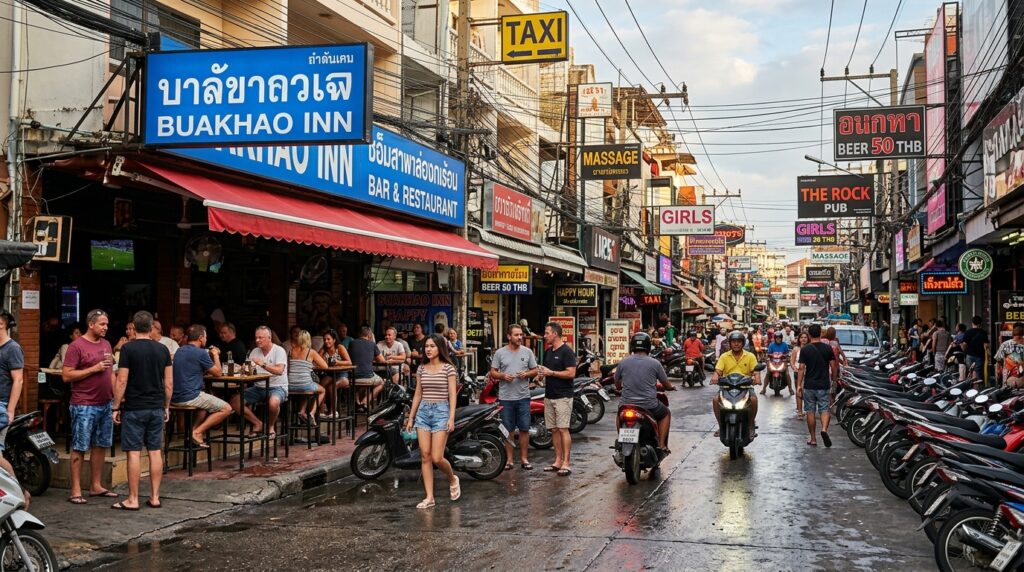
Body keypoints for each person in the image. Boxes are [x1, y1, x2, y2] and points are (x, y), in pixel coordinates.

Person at [112, 311, 172, 510]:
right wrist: (166, 405)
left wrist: (116, 405)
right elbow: (169, 383)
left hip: (134, 407)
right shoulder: (163, 350)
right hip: (156, 406)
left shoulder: (128, 349)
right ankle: (155, 497)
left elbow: (121, 380)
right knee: (155, 452)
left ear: (134, 328)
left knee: (134, 453)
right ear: (151, 328)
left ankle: (133, 498)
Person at [61, 310, 116, 504]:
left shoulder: (107, 344)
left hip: (105, 403)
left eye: (107, 324)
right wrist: (93, 369)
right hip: (83, 403)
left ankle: (96, 485)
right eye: (102, 324)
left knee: (101, 445)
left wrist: (116, 400)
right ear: (91, 324)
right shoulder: (76, 346)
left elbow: (111, 373)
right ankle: (75, 490)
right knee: (80, 446)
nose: (105, 327)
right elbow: (66, 375)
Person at [404, 334, 460, 509]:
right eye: (426, 346)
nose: (428, 349)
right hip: (423, 413)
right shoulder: (421, 368)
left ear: (440, 348)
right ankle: (429, 497)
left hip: (441, 412)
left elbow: (452, 394)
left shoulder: (448, 369)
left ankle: (452, 478)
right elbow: (418, 394)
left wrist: (451, 418)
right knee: (425, 456)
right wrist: (411, 417)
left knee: (437, 457)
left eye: (432, 346)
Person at [170, 325, 233, 449]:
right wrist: (215, 355)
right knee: (227, 408)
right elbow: (218, 373)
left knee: (202, 409)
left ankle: (192, 435)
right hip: (190, 396)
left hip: (175, 397)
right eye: (205, 337)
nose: (206, 340)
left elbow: (193, 369)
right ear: (200, 338)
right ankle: (197, 432)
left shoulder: (180, 350)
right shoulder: (200, 353)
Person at [490, 324, 538, 471]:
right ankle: (509, 460)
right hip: (506, 398)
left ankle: (524, 459)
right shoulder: (500, 353)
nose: (520, 338)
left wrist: (527, 374)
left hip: (523, 396)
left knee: (524, 429)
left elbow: (535, 370)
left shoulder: (527, 352)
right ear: (509, 336)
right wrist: (503, 376)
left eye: (521, 335)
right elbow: (493, 372)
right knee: (508, 429)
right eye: (516, 335)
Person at [615, 332, 671, 451]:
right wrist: (670, 387)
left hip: (626, 404)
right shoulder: (655, 363)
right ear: (648, 346)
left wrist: (619, 388)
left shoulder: (623, 362)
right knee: (666, 414)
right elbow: (666, 383)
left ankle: (621, 441)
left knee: (619, 413)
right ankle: (661, 445)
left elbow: (617, 383)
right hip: (648, 405)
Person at [230, 326, 288, 439]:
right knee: (235, 401)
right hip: (258, 387)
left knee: (273, 403)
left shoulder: (279, 350)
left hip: (278, 387)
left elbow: (280, 371)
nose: (257, 340)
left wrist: (262, 364)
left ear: (269, 338)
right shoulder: (254, 351)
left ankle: (270, 427)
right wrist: (240, 368)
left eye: (260, 338)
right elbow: (248, 370)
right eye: (256, 338)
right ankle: (258, 423)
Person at [537, 321, 577, 476]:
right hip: (549, 395)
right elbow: (546, 372)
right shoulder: (548, 352)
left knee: (563, 429)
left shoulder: (567, 351)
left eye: (547, 333)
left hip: (563, 396)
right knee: (553, 430)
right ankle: (558, 460)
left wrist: (551, 373)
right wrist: (539, 378)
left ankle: (567, 462)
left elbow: (571, 373)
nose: (545, 336)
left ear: (555, 334)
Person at [712, 331, 760, 440]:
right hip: (727, 387)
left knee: (753, 399)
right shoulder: (724, 356)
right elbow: (718, 371)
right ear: (730, 343)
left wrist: (757, 377)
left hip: (745, 387)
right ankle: (720, 425)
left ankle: (750, 425)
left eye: (739, 341)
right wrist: (715, 376)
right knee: (715, 400)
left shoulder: (750, 356)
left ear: (743, 343)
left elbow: (755, 371)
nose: (736, 344)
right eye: (734, 341)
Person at [796, 324, 838, 447]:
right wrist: (834, 380)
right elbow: (833, 365)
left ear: (809, 335)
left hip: (809, 385)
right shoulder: (827, 348)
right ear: (820, 334)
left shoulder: (805, 350)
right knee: (824, 409)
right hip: (824, 384)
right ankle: (824, 429)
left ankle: (813, 439)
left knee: (810, 411)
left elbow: (801, 369)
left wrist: (799, 385)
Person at [287, 330, 328, 425]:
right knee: (322, 390)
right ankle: (311, 413)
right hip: (304, 384)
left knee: (306, 389)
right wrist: (313, 366)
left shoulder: (291, 351)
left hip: (290, 385)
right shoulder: (311, 352)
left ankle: (302, 411)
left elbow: (290, 367)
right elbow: (325, 366)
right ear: (308, 340)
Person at [349, 327, 386, 410]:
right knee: (381, 383)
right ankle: (365, 401)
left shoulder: (352, 343)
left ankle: (358, 402)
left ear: (359, 334)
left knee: (362, 383)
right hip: (367, 376)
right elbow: (382, 361)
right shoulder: (372, 344)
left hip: (352, 377)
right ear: (369, 335)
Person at [318, 329, 352, 418]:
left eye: (328, 339)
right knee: (321, 385)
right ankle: (321, 411)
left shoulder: (340, 347)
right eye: (324, 339)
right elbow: (315, 360)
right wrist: (322, 362)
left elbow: (349, 362)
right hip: (330, 374)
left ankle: (333, 412)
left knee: (332, 386)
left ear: (334, 340)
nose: (326, 341)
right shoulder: (323, 349)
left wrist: (337, 362)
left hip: (343, 375)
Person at [762, 331, 793, 396]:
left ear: (781, 338)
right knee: (768, 373)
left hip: (782, 361)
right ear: (775, 338)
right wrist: (768, 356)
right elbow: (768, 353)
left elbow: (787, 353)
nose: (778, 339)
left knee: (787, 373)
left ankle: (790, 389)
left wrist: (786, 356)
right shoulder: (771, 345)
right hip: (773, 362)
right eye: (777, 338)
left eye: (779, 338)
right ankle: (764, 388)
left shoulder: (784, 345)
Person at [995, 323, 1024, 388]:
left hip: (1010, 379)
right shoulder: (1005, 344)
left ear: (1012, 335)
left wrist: (998, 375)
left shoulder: (1005, 344)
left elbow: (998, 360)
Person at [962, 316, 990, 382]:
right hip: (980, 356)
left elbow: (964, 345)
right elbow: (986, 345)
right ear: (980, 323)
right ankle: (977, 388)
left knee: (970, 372)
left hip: (969, 355)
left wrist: (964, 350)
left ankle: (970, 387)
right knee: (978, 374)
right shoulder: (983, 332)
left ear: (972, 323)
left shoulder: (968, 332)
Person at [791, 331, 811, 418]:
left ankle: (808, 410)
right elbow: (792, 362)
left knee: (807, 392)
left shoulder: (811, 348)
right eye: (802, 337)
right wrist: (795, 369)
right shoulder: (796, 349)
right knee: (798, 391)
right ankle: (799, 411)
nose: (803, 339)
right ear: (799, 339)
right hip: (798, 373)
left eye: (805, 337)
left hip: (808, 374)